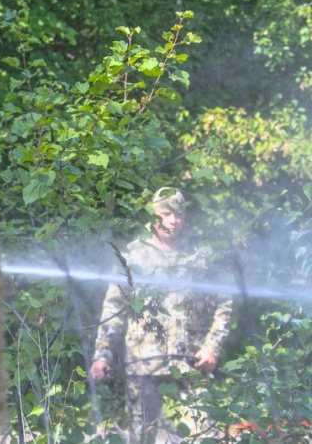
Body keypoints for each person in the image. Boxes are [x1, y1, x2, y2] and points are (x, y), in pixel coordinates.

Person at [90, 188, 232, 443]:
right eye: (166, 214)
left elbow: (224, 301)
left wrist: (212, 347)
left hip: (190, 361)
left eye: (178, 214)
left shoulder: (200, 255)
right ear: (154, 215)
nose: (173, 220)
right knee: (142, 436)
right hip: (143, 363)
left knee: (205, 435)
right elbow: (113, 309)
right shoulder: (133, 256)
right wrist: (102, 355)